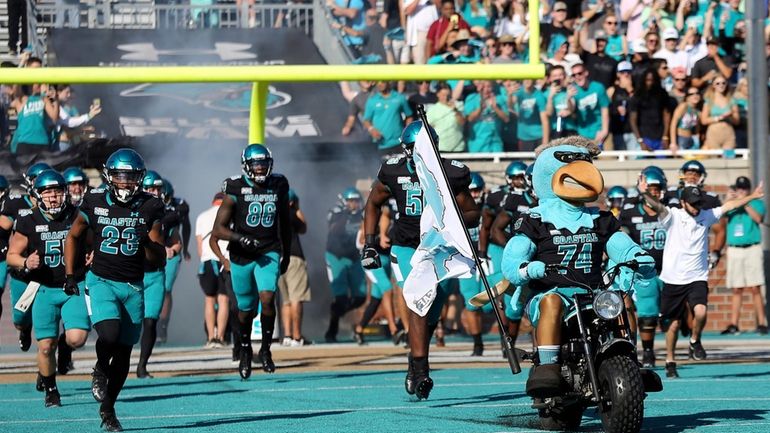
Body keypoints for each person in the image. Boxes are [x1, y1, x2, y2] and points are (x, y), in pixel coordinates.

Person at [501, 136, 657, 398]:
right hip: (550, 292)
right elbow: (514, 256)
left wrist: (637, 256)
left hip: (590, 293)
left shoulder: (599, 219)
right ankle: (548, 366)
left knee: (618, 299)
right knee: (552, 302)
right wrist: (528, 268)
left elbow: (621, 245)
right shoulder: (535, 219)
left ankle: (629, 359)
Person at [361, 120, 477, 400]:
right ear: (406, 150)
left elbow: (473, 213)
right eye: (416, 149)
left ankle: (414, 363)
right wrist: (370, 243)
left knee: (432, 312)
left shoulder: (451, 172)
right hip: (406, 246)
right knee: (418, 305)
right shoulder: (393, 170)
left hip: (439, 247)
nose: (421, 155)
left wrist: (451, 225)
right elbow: (373, 203)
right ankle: (423, 371)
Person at [64, 148, 166, 431]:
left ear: (139, 179)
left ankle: (108, 409)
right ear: (109, 177)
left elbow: (159, 259)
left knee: (123, 353)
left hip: (133, 285)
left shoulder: (149, 206)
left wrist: (145, 240)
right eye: (120, 177)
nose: (124, 183)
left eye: (130, 177)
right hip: (102, 280)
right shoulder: (94, 200)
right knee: (108, 333)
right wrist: (71, 274)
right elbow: (73, 236)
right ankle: (99, 368)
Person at [637, 177, 764, 379]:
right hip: (673, 279)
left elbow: (730, 205)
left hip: (697, 276)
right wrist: (643, 193)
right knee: (674, 324)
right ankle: (670, 360)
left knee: (701, 311)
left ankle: (695, 340)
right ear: (683, 203)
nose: (697, 208)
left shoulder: (706, 214)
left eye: (698, 204)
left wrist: (753, 196)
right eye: (693, 204)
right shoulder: (673, 216)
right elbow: (657, 206)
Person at [7, 170, 90, 407]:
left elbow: (94, 241)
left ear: (65, 193)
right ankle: (51, 389)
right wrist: (25, 262)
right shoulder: (29, 219)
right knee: (44, 347)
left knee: (77, 338)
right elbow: (12, 255)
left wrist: (93, 254)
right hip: (43, 286)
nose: (53, 197)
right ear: (38, 195)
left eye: (57, 192)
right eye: (47, 192)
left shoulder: (77, 215)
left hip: (72, 284)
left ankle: (65, 346)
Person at [210, 144, 291, 379]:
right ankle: (245, 349)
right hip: (241, 255)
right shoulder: (235, 187)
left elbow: (285, 223)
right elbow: (218, 229)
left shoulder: (278, 184)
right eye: (256, 164)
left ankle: (266, 349)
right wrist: (240, 238)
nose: (260, 168)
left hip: (269, 251)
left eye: (263, 164)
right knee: (244, 310)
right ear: (246, 166)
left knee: (268, 297)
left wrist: (285, 252)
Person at [618, 167, 668, 368]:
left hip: (668, 268)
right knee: (646, 314)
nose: (654, 192)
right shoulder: (630, 211)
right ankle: (647, 352)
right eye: (650, 188)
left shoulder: (669, 209)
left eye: (657, 188)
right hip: (643, 270)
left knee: (670, 315)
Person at [0, 162, 51, 352]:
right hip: (22, 269)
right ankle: (25, 329)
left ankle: (54, 350)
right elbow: (3, 226)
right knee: (20, 318)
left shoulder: (60, 205)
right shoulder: (16, 203)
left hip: (49, 269)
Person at [136, 171, 182, 379]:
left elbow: (176, 241)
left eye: (157, 189)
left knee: (150, 321)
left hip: (155, 274)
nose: (155, 192)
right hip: (132, 274)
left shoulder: (168, 215)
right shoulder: (130, 212)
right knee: (126, 324)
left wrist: (173, 249)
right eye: (150, 188)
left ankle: (142, 365)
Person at [721, 176, 767, 335]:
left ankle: (762, 322)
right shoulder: (731, 205)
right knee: (736, 288)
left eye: (744, 189)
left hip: (752, 248)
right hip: (734, 249)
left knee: (755, 287)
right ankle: (734, 323)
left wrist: (745, 201)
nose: (741, 191)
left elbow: (758, 218)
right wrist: (727, 199)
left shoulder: (756, 203)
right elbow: (720, 215)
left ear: (748, 189)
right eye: (738, 189)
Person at [325, 187, 367, 343]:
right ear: (344, 201)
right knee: (341, 297)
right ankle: (332, 328)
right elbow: (334, 229)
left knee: (360, 297)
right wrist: (345, 213)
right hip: (337, 256)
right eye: (351, 201)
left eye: (356, 201)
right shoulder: (336, 212)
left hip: (355, 257)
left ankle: (335, 313)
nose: (355, 204)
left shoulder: (363, 215)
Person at [157, 180, 191, 344]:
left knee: (166, 289)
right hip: (153, 249)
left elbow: (186, 226)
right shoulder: (146, 204)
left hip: (171, 249)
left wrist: (184, 249)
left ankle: (162, 327)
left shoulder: (180, 205)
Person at [196, 192, 232, 347]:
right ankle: (221, 337)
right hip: (225, 261)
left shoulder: (202, 216)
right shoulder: (231, 215)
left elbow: (199, 246)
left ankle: (211, 337)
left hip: (207, 261)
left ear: (213, 202)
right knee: (224, 299)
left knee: (209, 299)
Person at [278, 189, 311, 346]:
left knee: (286, 301)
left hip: (276, 259)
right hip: (293, 257)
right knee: (296, 297)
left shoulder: (272, 214)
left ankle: (288, 336)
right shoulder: (290, 213)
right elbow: (303, 227)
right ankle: (297, 337)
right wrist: (296, 208)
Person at [362, 81, 414, 157]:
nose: (380, 84)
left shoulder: (400, 97)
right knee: (384, 168)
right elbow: (366, 120)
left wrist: (406, 134)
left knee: (402, 168)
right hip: (382, 144)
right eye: (377, 82)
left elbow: (409, 116)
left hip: (399, 143)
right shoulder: (372, 100)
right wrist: (371, 129)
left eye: (382, 81)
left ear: (388, 82)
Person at [629, 67, 672, 152]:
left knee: (662, 163)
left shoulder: (662, 94)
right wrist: (640, 140)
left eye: (652, 80)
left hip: (660, 136)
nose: (650, 83)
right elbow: (633, 120)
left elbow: (666, 115)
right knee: (643, 164)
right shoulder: (637, 95)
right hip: (644, 136)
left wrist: (665, 136)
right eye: (647, 80)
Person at [570, 62, 610, 147]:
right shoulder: (573, 90)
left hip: (600, 131)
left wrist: (604, 130)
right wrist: (568, 98)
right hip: (582, 135)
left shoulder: (598, 87)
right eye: (574, 75)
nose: (577, 77)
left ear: (586, 73)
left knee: (608, 159)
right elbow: (571, 110)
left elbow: (604, 109)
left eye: (579, 73)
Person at [463, 80, 509, 153]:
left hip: (495, 145)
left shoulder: (499, 99)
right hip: (477, 145)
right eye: (483, 87)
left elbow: (506, 119)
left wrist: (495, 108)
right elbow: (469, 119)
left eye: (489, 87)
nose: (486, 89)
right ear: (479, 87)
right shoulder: (472, 98)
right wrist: (480, 109)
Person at [700, 74, 738, 151]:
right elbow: (703, 120)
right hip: (713, 133)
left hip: (728, 133)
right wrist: (720, 117)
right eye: (718, 83)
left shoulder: (731, 100)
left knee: (728, 160)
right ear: (713, 85)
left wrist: (729, 117)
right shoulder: (709, 100)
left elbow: (737, 121)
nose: (721, 85)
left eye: (723, 83)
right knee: (714, 160)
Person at [425, 82, 466, 152]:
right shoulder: (432, 110)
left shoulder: (459, 105)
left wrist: (455, 109)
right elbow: (427, 129)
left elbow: (462, 122)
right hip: (440, 148)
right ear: (438, 94)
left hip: (458, 149)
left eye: (448, 95)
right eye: (443, 95)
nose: (446, 98)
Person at [510, 79, 545, 152]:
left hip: (538, 135)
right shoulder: (518, 93)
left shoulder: (539, 95)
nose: (527, 80)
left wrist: (545, 141)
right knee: (525, 162)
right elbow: (510, 105)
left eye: (530, 77)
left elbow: (545, 120)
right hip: (524, 137)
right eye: (525, 78)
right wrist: (510, 94)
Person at [669, 86, 701, 153]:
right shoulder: (683, 106)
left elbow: (697, 127)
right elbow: (673, 124)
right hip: (681, 138)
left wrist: (697, 138)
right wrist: (673, 143)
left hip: (692, 139)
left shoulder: (698, 111)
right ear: (687, 97)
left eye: (697, 93)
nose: (695, 95)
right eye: (691, 94)